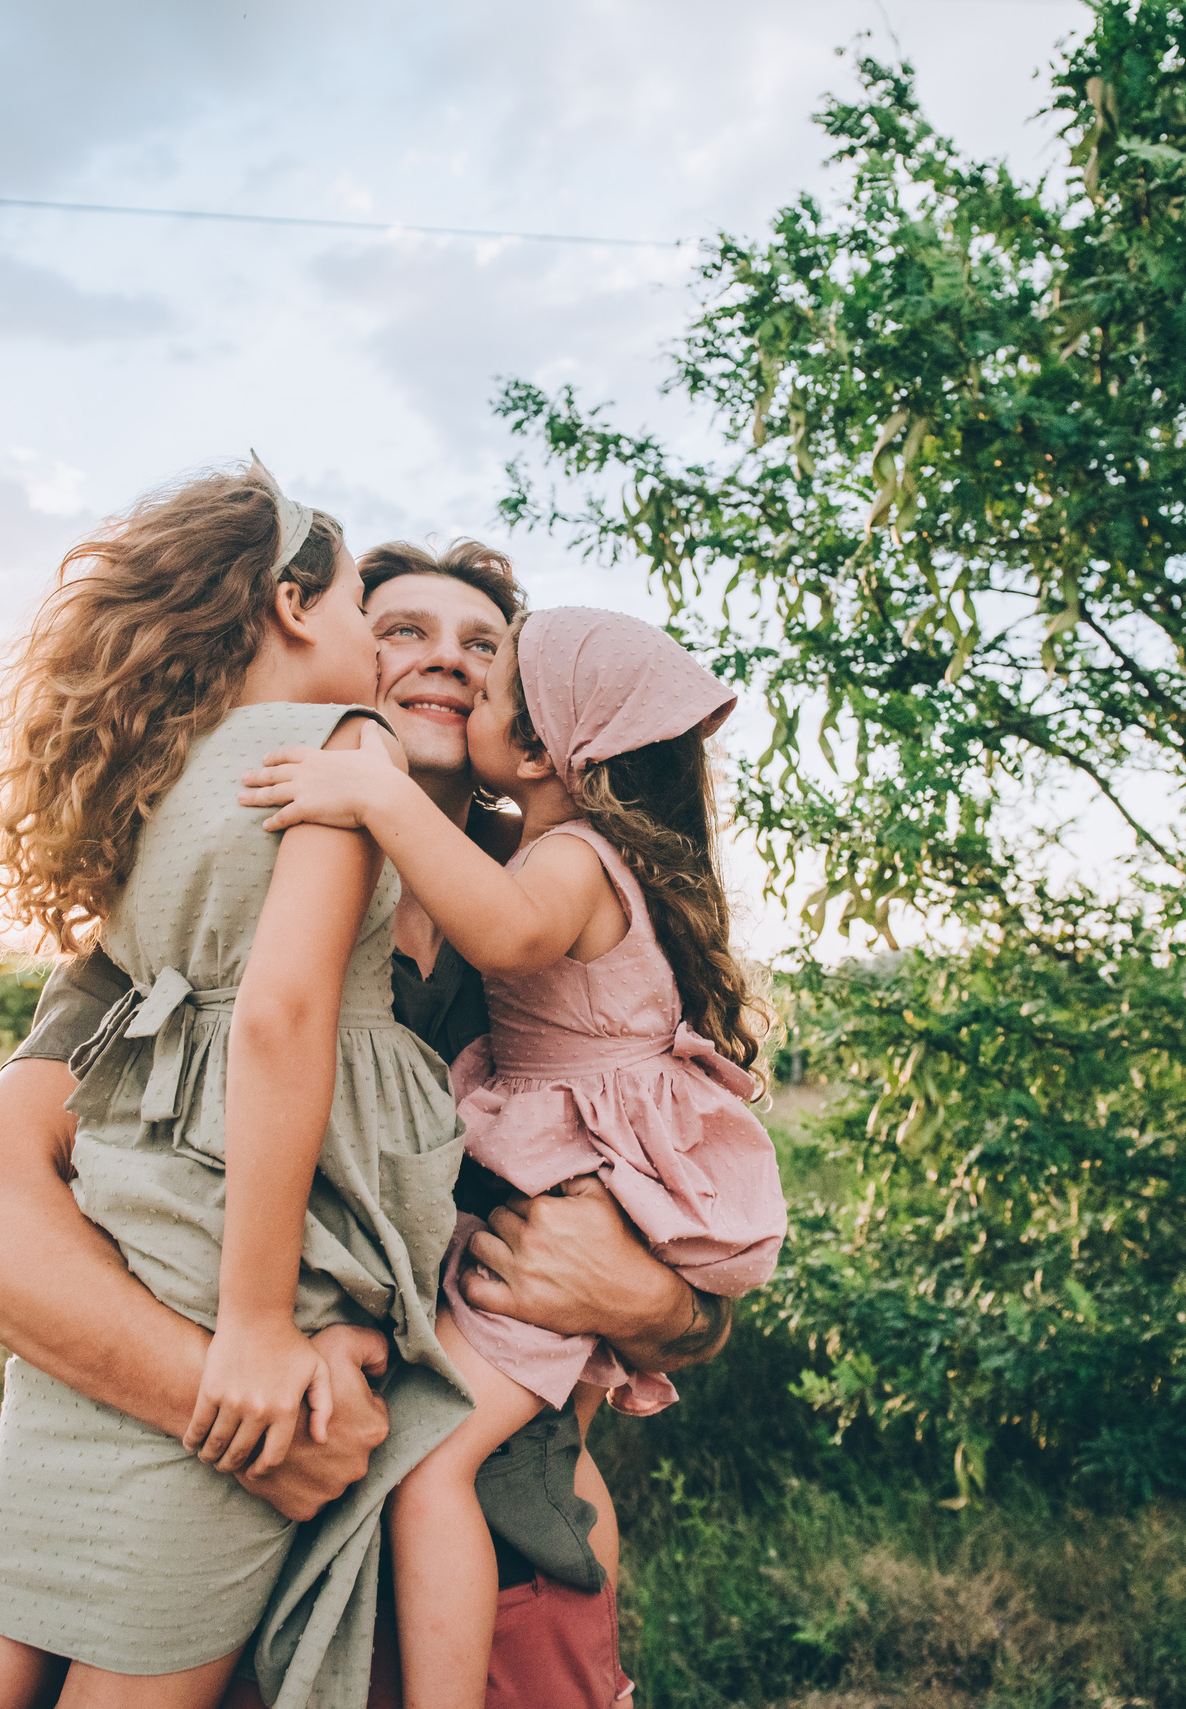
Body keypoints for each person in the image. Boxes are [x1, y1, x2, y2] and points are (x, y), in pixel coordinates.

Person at [0, 543, 731, 1709]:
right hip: (251, 1547)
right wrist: (263, 1410)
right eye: (400, 628)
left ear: (530, 719)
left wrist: (664, 1308)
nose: (446, 655)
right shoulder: (219, 899)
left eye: (483, 644)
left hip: (505, 1563)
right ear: (338, 655)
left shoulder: (565, 907)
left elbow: (695, 1194)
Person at [0, 458, 471, 1709]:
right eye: (377, 612)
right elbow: (284, 1013)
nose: (388, 651)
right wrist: (256, 1327)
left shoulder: (163, 789)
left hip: (130, 1247)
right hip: (230, 1296)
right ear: (296, 602)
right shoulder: (344, 749)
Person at [241, 607, 787, 1709]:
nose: (459, 675)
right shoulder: (566, 850)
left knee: (436, 1462)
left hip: (569, 1181)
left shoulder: (566, 859)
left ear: (539, 753)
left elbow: (507, 936)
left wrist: (377, 790)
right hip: (564, 1171)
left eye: (487, 673)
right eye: (398, 628)